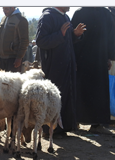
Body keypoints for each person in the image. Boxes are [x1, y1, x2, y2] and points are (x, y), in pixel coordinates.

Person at [36, 7, 86, 136]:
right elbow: (40, 41)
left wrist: (74, 34)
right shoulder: (48, 16)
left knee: (66, 96)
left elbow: (67, 41)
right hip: (54, 68)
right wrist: (60, 34)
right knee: (54, 98)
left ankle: (64, 127)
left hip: (67, 66)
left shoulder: (65, 17)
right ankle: (50, 130)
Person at [71, 7, 115, 134]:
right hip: (86, 59)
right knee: (84, 90)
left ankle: (95, 123)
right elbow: (73, 36)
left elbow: (110, 36)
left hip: (96, 59)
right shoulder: (81, 13)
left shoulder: (105, 13)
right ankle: (79, 121)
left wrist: (109, 57)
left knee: (96, 91)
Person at [0, 7, 29, 73]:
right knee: (2, 82)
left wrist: (19, 58)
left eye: (6, 9)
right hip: (2, 58)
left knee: (12, 82)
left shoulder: (21, 20)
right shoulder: (3, 18)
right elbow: (0, 38)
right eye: (3, 9)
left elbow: (24, 41)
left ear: (12, 8)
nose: (4, 11)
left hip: (13, 59)